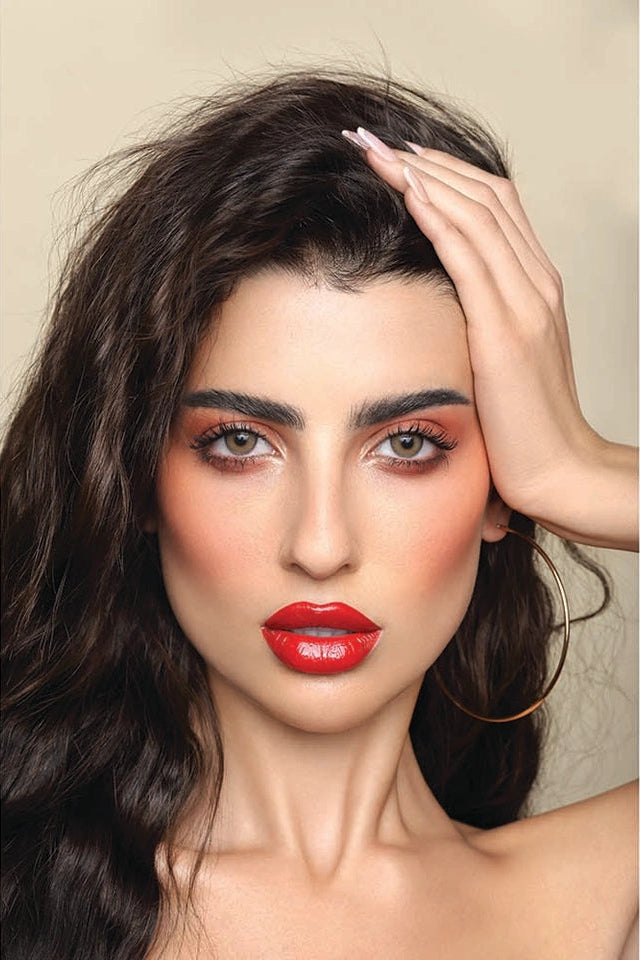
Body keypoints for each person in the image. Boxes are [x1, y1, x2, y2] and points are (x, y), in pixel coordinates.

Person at [1, 69, 637, 960]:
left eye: (408, 444)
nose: (321, 546)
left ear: (503, 488)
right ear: (137, 478)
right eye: (238, 442)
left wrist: (587, 471)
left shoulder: (611, 895)